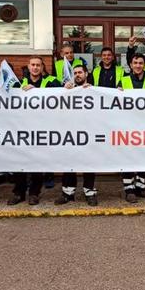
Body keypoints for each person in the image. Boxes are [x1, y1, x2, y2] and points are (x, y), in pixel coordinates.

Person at [7, 56, 63, 206]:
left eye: (38, 65)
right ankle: (19, 193)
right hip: (22, 128)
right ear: (28, 66)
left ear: (42, 67)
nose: (35, 67)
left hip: (42, 128)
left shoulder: (51, 82)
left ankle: (34, 193)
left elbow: (63, 94)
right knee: (19, 162)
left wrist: (36, 91)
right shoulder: (18, 83)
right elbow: (3, 96)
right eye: (33, 65)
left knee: (37, 162)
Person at [56, 65, 99, 206]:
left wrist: (93, 90)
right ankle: (67, 193)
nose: (77, 75)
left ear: (86, 74)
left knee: (89, 164)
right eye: (75, 73)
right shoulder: (67, 90)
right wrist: (65, 91)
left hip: (88, 132)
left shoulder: (94, 90)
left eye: (80, 72)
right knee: (69, 163)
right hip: (70, 133)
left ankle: (89, 192)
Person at [117, 53, 145, 203]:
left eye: (141, 63)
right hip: (128, 125)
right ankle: (129, 189)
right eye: (135, 63)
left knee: (143, 156)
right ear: (131, 65)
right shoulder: (124, 80)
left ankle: (141, 187)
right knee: (128, 157)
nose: (138, 65)